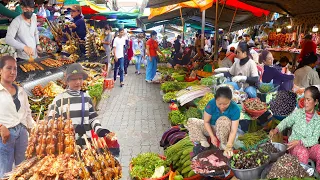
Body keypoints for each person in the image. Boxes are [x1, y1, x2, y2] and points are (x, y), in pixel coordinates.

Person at [48, 63, 110, 146]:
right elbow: (51, 123)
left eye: (80, 79)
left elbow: (92, 118)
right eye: (74, 79)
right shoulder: (59, 99)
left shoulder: (86, 97)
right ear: (67, 81)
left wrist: (99, 129)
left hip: (86, 143)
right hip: (67, 146)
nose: (77, 82)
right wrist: (73, 127)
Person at [269, 86, 320, 173]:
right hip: (294, 146)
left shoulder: (318, 119)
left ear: (315, 102)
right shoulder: (298, 113)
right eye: (304, 99)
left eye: (309, 100)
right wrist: (276, 129)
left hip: (310, 147)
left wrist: (300, 141)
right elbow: (286, 121)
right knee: (302, 152)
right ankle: (299, 175)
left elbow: (315, 139)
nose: (305, 102)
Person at [0, 56, 35, 178]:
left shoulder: (21, 90)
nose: (13, 72)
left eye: (15, 69)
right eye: (9, 68)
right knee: (5, 169)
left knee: (24, 167)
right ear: (0, 70)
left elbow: (27, 112)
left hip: (22, 132)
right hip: (5, 135)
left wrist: (33, 129)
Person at [186, 86, 240, 157]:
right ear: (215, 99)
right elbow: (206, 122)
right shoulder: (211, 104)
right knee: (191, 121)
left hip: (223, 130)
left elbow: (233, 131)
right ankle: (204, 143)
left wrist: (229, 145)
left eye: (225, 104)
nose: (222, 106)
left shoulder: (235, 108)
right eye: (219, 104)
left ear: (230, 100)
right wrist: (212, 136)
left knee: (223, 120)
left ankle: (223, 144)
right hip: (211, 127)